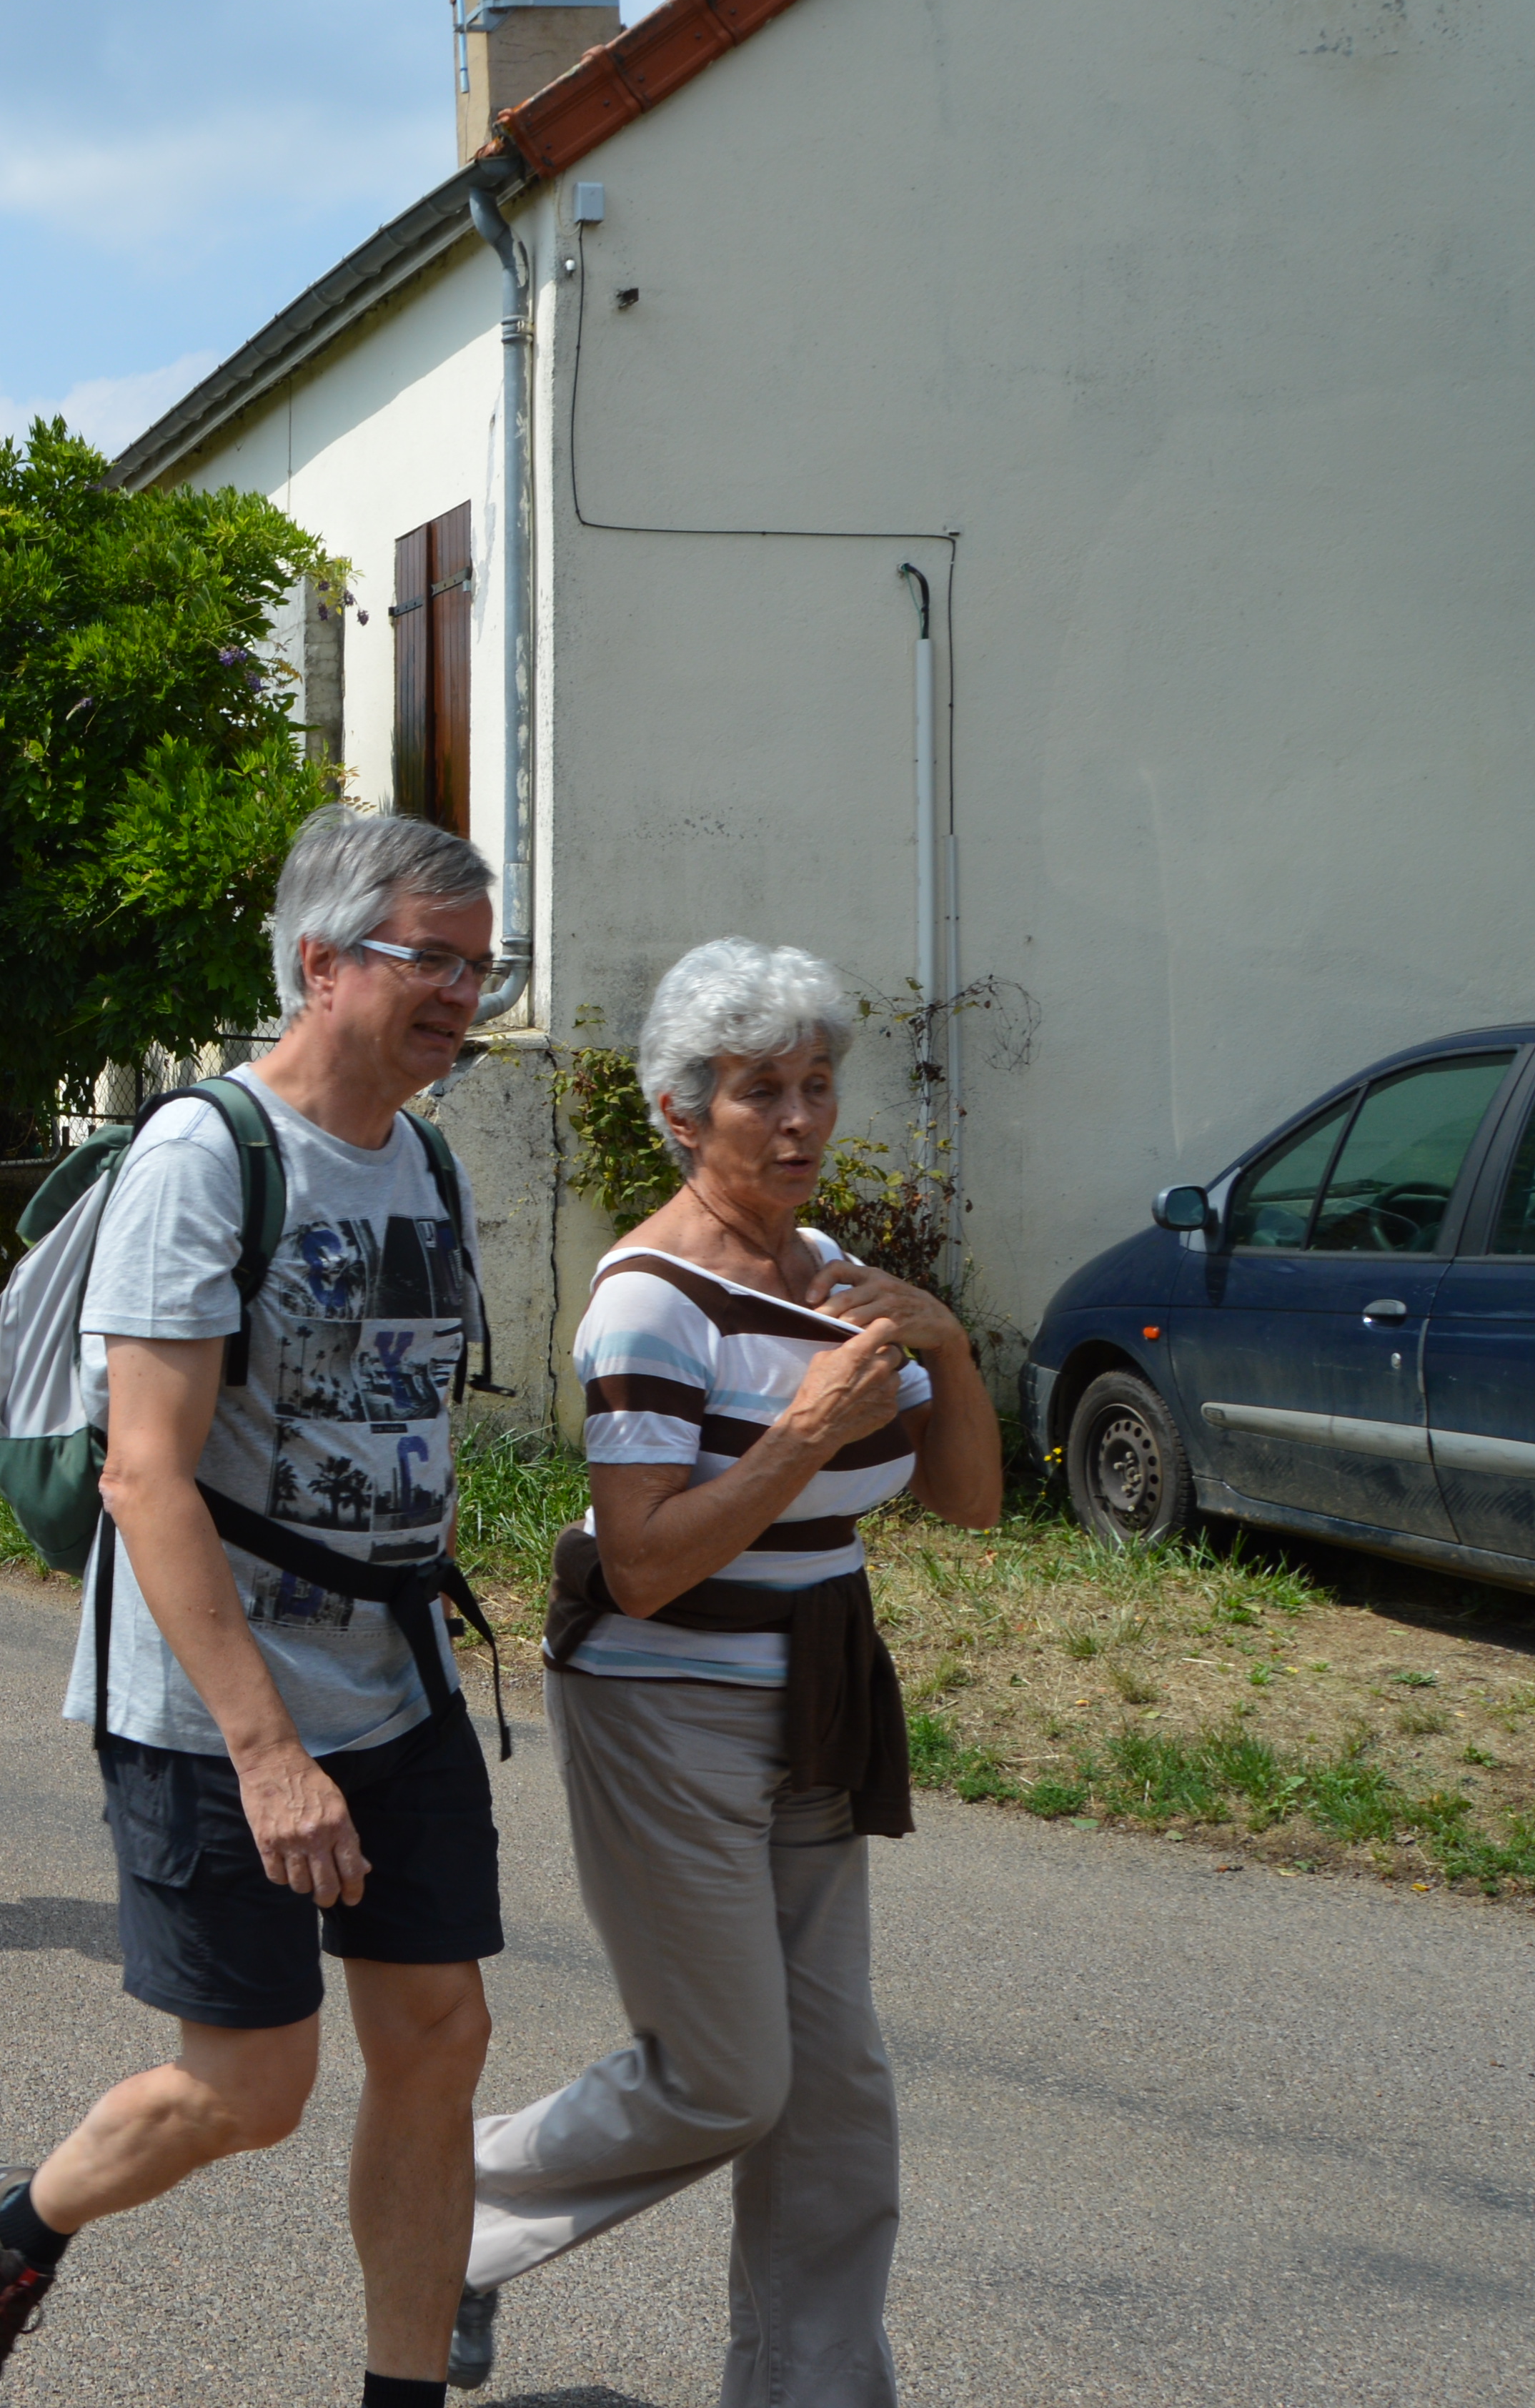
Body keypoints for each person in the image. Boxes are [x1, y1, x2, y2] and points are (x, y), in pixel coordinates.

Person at [0, 810, 506, 2408]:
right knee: (250, 2084)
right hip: (212, 1700)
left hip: (395, 1673)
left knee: (440, 2034)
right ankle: (11, 2223)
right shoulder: (203, 1154)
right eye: (428, 960)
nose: (463, 993)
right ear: (318, 962)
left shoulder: (422, 1151)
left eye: (477, 963)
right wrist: (266, 1752)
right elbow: (144, 1478)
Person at [447, 939, 995, 2404]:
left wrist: (939, 1334)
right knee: (722, 2073)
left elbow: (969, 1500)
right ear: (681, 1114)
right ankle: (443, 2216)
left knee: (833, 2097)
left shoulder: (833, 1276)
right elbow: (641, 1561)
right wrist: (802, 1431)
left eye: (816, 1083)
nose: (800, 1119)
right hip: (659, 1701)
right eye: (761, 1090)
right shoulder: (648, 1300)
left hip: (812, 1696)